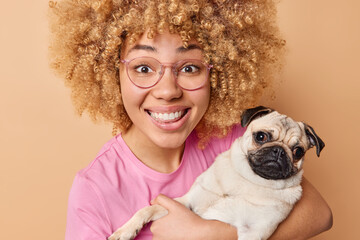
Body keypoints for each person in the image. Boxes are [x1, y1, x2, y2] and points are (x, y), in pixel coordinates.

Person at [48, 0, 333, 239]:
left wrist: (210, 234)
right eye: (144, 67)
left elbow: (319, 215)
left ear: (217, 74)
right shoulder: (95, 190)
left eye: (190, 67)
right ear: (111, 75)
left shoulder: (235, 141)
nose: (168, 91)